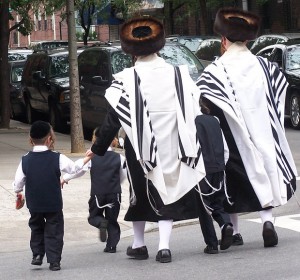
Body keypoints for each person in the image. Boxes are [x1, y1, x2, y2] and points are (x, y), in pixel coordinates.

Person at [86, 16, 206, 263]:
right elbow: (197, 107)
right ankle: (164, 246)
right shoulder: (178, 75)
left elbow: (113, 119)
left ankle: (139, 244)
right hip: (173, 145)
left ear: (130, 50)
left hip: (139, 149)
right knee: (167, 192)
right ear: (159, 45)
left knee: (139, 193)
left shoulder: (127, 79)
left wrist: (97, 149)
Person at [196, 7, 297, 247]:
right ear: (247, 40)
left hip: (231, 137)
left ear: (223, 41)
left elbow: (202, 100)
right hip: (264, 131)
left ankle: (235, 230)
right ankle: (267, 222)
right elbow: (280, 89)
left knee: (232, 183)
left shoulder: (215, 70)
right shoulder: (265, 67)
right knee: (266, 171)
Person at [12, 121, 92, 271]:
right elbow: (73, 168)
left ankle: (37, 255)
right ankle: (54, 261)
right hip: (53, 202)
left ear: (31, 139)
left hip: (34, 203)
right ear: (49, 139)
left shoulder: (25, 159)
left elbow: (18, 183)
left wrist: (19, 193)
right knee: (54, 229)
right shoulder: (57, 157)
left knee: (36, 227)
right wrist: (88, 157)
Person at [61, 130, 127, 253]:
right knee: (113, 220)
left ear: (94, 140)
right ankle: (111, 246)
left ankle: (101, 222)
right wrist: (117, 185)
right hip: (115, 194)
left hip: (97, 194)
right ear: (113, 140)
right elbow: (123, 175)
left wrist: (65, 178)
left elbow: (79, 170)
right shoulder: (120, 158)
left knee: (93, 216)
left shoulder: (92, 158)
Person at [195, 99, 233, 254]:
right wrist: (222, 165)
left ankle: (211, 244)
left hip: (202, 169)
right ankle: (226, 224)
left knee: (204, 207)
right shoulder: (214, 120)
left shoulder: (191, 122)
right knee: (217, 202)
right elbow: (225, 148)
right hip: (218, 167)